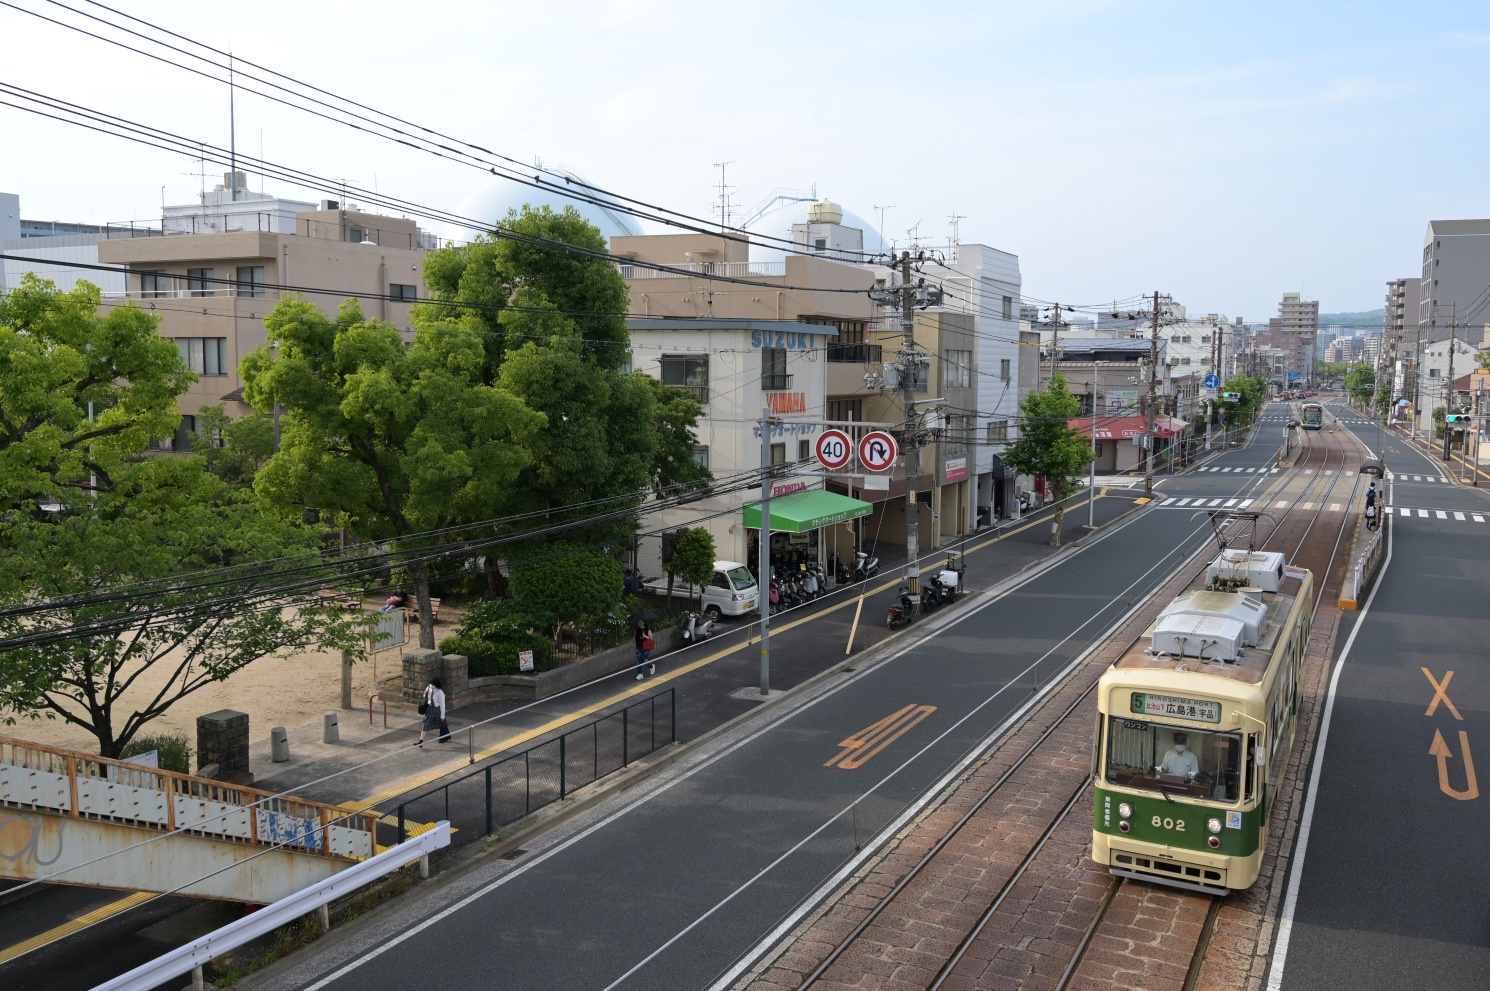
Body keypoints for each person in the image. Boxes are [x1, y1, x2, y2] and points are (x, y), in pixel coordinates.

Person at [417, 675, 446, 747]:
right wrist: (425, 693)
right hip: (429, 709)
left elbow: (442, 705)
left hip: (437, 709)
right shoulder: (429, 688)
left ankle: (445, 736)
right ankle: (421, 741)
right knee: (426, 724)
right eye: (430, 684)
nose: (431, 685)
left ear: (436, 684)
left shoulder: (440, 693)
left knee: (442, 724)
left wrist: (442, 715)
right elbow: (425, 697)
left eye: (432, 684)